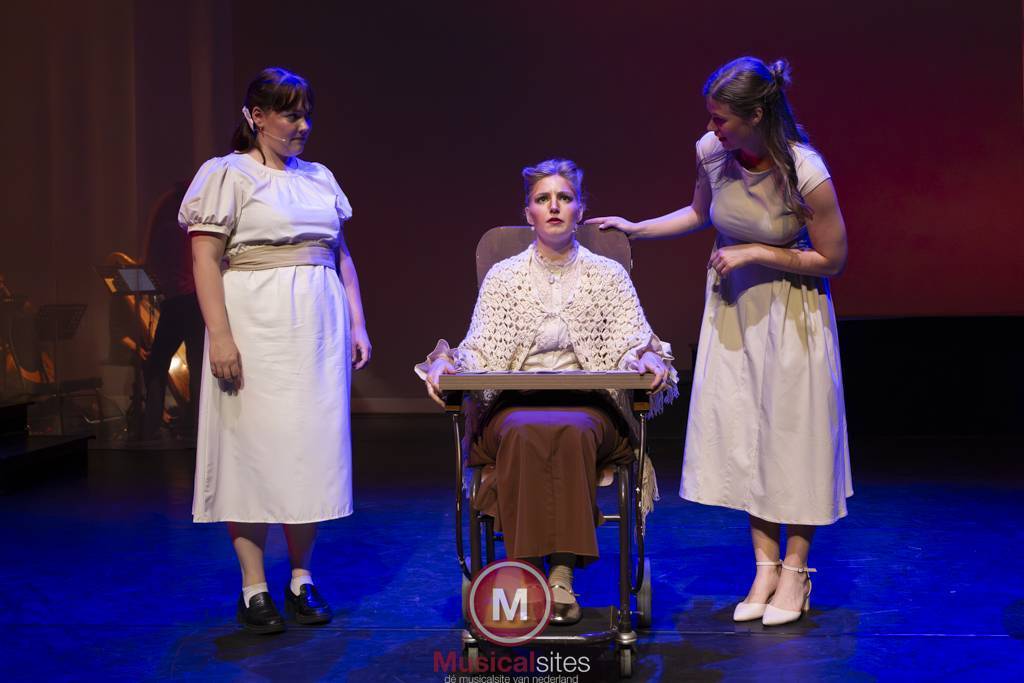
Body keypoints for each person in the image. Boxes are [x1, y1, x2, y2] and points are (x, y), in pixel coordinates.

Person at [588, 57, 851, 626]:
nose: (711, 128)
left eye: (721, 119)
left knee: (794, 438)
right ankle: (764, 567)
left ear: (756, 116)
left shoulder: (805, 170)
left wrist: (756, 251)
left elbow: (832, 258)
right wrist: (637, 228)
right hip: (734, 312)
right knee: (747, 434)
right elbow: (698, 213)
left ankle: (797, 570)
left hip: (792, 311)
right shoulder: (712, 153)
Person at [417, 158, 678, 625]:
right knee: (523, 430)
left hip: (590, 409)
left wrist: (647, 358)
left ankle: (560, 575)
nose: (554, 206)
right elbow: (479, 348)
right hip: (515, 408)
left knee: (570, 429)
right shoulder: (504, 277)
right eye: (543, 199)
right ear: (529, 212)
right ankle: (524, 573)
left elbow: (632, 341)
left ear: (580, 209)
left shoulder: (608, 276)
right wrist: (449, 364)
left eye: (564, 197)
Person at [180, 67, 371, 634]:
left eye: (306, 114)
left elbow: (340, 254)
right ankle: (253, 587)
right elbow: (204, 259)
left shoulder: (318, 177)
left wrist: (357, 323)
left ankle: (301, 579)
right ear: (257, 117)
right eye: (290, 114)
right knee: (251, 451)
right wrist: (220, 335)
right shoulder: (226, 174)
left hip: (315, 334)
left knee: (307, 452)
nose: (302, 125)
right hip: (255, 326)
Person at [141, 181, 204, 440]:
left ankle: (151, 424)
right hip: (197, 304)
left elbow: (152, 265)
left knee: (156, 364)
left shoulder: (168, 230)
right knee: (197, 367)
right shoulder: (197, 230)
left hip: (177, 302)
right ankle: (197, 425)